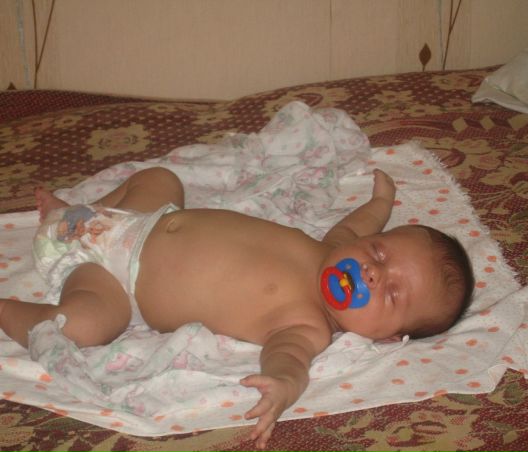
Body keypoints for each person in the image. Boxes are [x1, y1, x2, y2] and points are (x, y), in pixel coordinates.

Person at [0, 167, 474, 449]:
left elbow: (288, 359)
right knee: (162, 178)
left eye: (391, 294)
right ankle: (72, 214)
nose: (371, 273)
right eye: (380, 253)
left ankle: (10, 308)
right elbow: (358, 224)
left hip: (114, 278)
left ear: (388, 337)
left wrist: (284, 386)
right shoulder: (333, 247)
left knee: (85, 326)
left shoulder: (307, 324)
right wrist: (382, 201)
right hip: (141, 217)